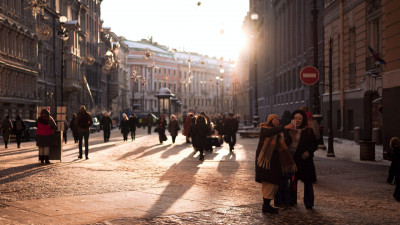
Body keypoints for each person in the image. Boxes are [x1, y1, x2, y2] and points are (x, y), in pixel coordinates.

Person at [255, 114, 296, 214]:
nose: (277, 122)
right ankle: (266, 207)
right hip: (265, 163)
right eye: (274, 120)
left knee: (273, 186)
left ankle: (267, 206)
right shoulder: (265, 130)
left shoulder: (278, 134)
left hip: (273, 164)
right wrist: (284, 127)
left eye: (278, 120)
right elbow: (271, 131)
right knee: (268, 186)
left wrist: (291, 135)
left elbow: (284, 144)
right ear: (269, 121)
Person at [286, 109, 318, 210]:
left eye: (300, 118)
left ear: (303, 119)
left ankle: (309, 203)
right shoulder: (289, 130)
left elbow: (314, 144)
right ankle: (292, 200)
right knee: (293, 181)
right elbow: (284, 144)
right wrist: (290, 136)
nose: (298, 120)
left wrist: (308, 152)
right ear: (292, 119)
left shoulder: (308, 131)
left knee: (307, 182)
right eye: (295, 118)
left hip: (305, 161)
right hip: (292, 160)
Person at [388, 137, 400, 202]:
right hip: (397, 166)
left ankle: (397, 195)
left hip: (396, 166)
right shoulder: (397, 149)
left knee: (393, 173)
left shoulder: (396, 149)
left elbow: (394, 157)